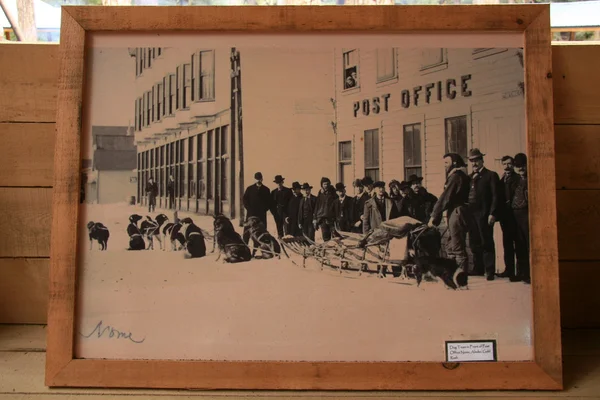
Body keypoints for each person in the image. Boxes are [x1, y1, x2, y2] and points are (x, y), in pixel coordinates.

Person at [428, 153, 471, 273]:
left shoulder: (456, 177)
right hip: (454, 211)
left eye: (447, 163)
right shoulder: (457, 176)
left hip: (457, 212)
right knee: (451, 245)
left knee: (457, 246)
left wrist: (433, 216)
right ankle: (453, 275)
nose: (444, 166)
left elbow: (445, 198)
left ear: (455, 164)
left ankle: (461, 279)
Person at [466, 148, 501, 280]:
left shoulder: (491, 175)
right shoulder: (469, 178)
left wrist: (492, 213)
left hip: (484, 214)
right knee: (474, 242)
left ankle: (490, 270)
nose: (474, 164)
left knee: (486, 242)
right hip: (471, 215)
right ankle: (478, 268)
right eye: (472, 161)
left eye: (476, 160)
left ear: (482, 160)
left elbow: (495, 196)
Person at [497, 156, 520, 279]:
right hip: (505, 217)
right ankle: (509, 270)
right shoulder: (502, 180)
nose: (507, 166)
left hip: (516, 216)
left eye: (510, 164)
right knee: (507, 244)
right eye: (504, 164)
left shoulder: (518, 179)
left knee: (518, 244)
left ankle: (519, 272)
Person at [511, 153, 530, 284]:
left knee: (529, 244)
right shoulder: (514, 180)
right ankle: (522, 273)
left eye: (523, 165)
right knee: (519, 245)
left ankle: (531, 273)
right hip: (514, 215)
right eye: (518, 166)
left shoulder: (531, 179)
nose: (520, 168)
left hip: (527, 214)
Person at [313, 177, 338, 241]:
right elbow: (317, 205)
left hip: (331, 218)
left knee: (335, 236)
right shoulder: (320, 193)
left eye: (327, 184)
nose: (326, 186)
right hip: (322, 218)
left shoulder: (333, 193)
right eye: (324, 184)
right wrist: (315, 218)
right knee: (325, 236)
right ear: (322, 185)